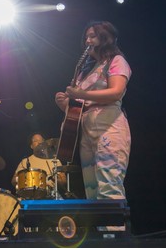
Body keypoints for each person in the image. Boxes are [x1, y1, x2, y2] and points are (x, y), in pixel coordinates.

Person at [55, 21, 132, 204]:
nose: (88, 40)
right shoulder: (86, 72)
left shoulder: (116, 61)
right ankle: (100, 232)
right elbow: (79, 107)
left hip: (108, 125)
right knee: (92, 190)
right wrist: (65, 103)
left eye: (93, 36)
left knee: (109, 184)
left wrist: (80, 93)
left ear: (107, 38)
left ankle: (114, 232)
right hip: (86, 130)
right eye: (86, 37)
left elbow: (116, 92)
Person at [11, 132, 66, 199]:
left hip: (51, 195)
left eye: (41, 141)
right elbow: (13, 180)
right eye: (35, 141)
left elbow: (64, 182)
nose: (39, 143)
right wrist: (22, 180)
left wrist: (57, 180)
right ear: (31, 146)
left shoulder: (55, 160)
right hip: (30, 195)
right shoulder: (25, 161)